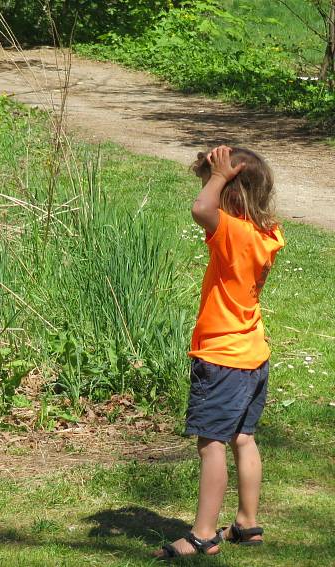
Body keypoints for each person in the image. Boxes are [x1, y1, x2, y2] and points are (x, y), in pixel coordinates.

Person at [155, 146, 284, 559]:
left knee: (211, 445)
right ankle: (246, 523)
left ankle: (203, 534)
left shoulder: (234, 233)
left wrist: (217, 177)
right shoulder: (268, 233)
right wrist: (221, 176)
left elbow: (201, 208)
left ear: (231, 190)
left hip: (223, 357)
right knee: (243, 438)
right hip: (253, 354)